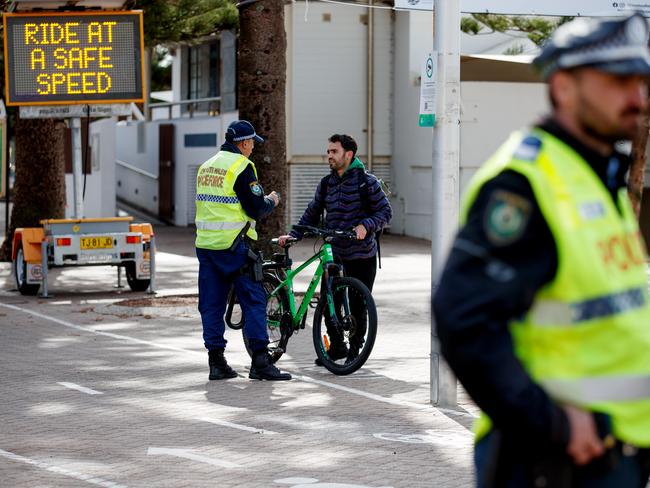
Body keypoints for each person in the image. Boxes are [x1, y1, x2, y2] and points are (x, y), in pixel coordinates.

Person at [433, 13, 650, 487]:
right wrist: (550, 422)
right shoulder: (525, 184)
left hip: (614, 453)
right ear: (565, 87)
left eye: (641, 80)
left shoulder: (599, 175)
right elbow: (463, 320)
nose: (638, 97)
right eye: (618, 81)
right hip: (555, 462)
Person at [278, 134, 392, 364]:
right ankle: (337, 347)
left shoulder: (366, 181)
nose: (329, 155)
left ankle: (355, 351)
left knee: (359, 307)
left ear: (348, 155)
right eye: (328, 151)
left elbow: (385, 213)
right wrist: (294, 234)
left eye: (334, 151)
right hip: (334, 254)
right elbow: (312, 211)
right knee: (329, 302)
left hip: (362, 255)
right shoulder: (327, 183)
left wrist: (365, 225)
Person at [196, 119, 291, 381]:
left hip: (206, 245)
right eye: (252, 144)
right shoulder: (242, 166)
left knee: (211, 304)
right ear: (244, 143)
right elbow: (255, 208)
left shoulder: (207, 166)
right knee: (254, 299)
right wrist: (271, 200)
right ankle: (260, 361)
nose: (252, 149)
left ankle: (216, 363)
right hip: (234, 246)